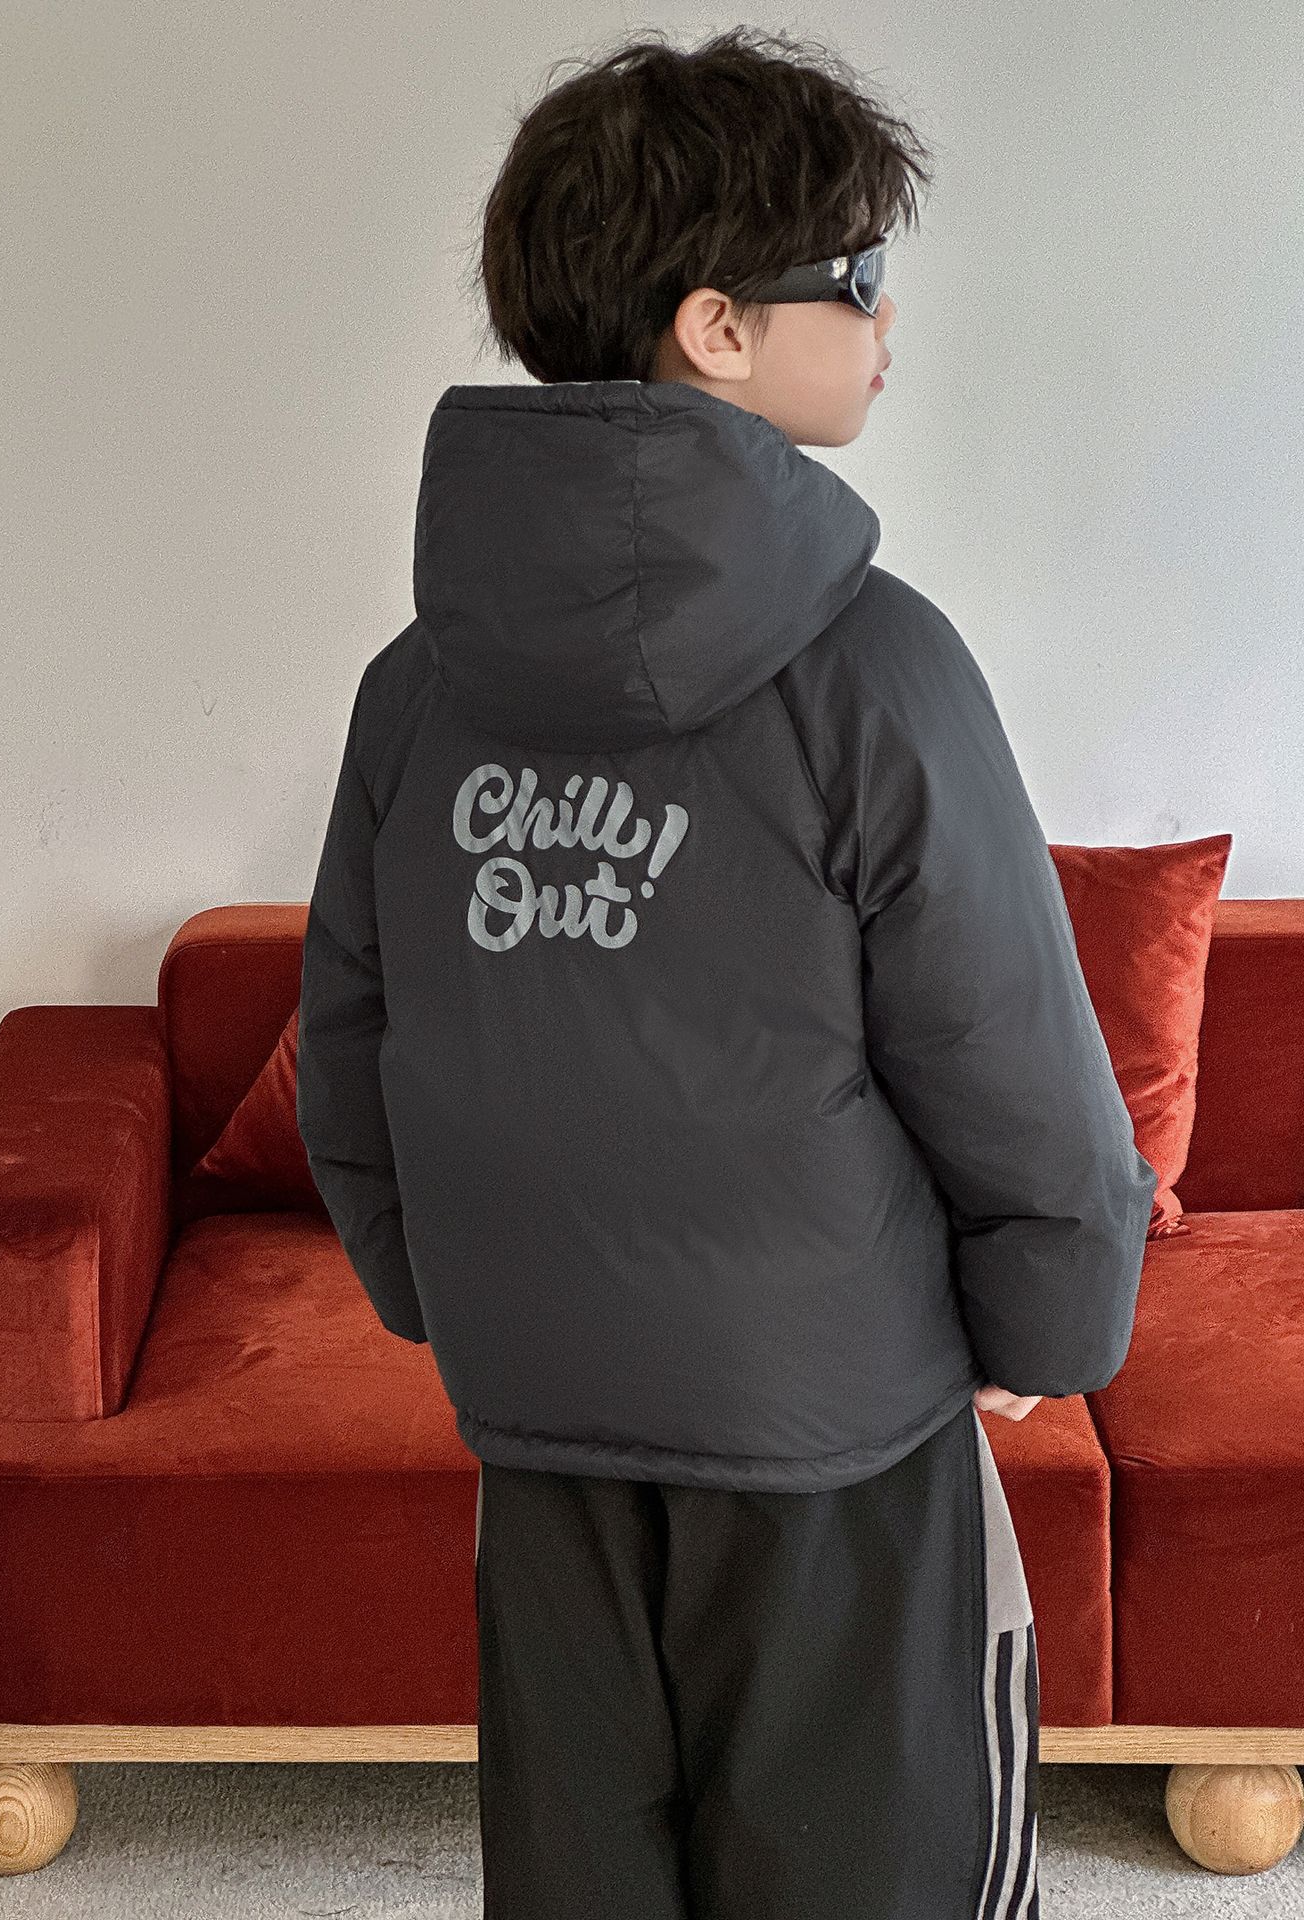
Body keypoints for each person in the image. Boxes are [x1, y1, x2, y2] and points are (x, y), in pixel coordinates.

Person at [295, 24, 1157, 1918]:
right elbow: (1012, 1058)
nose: (886, 316)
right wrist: (1052, 1331)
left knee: (588, 1876)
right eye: (856, 274)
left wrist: (447, 1295)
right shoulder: (877, 669)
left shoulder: (417, 688)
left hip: (543, 1417)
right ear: (718, 329)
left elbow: (347, 1040)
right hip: (832, 1441)